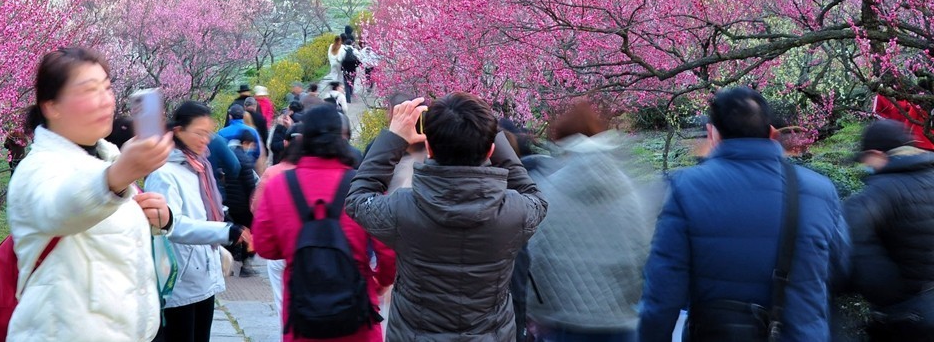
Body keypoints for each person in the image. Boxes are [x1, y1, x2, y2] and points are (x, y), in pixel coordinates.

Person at [639, 86, 850, 342]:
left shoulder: (686, 188)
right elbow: (839, 264)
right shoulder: (820, 190)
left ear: (712, 134)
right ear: (772, 133)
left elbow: (663, 292)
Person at [345, 94, 548, 341]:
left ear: (429, 148)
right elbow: (534, 196)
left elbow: (358, 199)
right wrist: (491, 133)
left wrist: (394, 138)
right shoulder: (514, 212)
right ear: (491, 151)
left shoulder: (403, 208)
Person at [6, 47, 175, 342]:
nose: (106, 100)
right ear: (52, 106)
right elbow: (59, 209)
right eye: (89, 90)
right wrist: (118, 177)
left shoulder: (104, 158)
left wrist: (159, 217)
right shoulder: (36, 169)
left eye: (107, 88)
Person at [254, 105, 397, 342]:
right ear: (343, 138)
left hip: (303, 311)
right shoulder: (360, 186)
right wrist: (381, 281)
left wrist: (296, 246)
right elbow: (387, 248)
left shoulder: (279, 185)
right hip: (357, 309)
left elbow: (265, 246)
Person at [525, 103, 656, 342]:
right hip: (620, 325)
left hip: (565, 324)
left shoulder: (547, 192)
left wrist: (536, 311)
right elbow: (643, 255)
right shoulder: (629, 192)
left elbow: (536, 261)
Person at [146, 101, 253, 342]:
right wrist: (225, 232)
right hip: (180, 280)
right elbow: (171, 225)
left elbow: (203, 214)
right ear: (178, 131)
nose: (206, 139)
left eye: (208, 133)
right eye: (199, 133)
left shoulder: (198, 166)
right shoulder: (164, 173)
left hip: (203, 273)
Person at [842, 119, 934, 341]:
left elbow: (856, 248)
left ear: (876, 153)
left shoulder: (878, 192)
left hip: (908, 319)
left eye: (865, 160)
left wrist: (890, 301)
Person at [252, 124, 306, 319]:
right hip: (309, 247)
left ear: (285, 143)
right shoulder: (311, 172)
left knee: (283, 303)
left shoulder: (273, 173)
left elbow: (257, 208)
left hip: (280, 248)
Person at [225, 127, 260, 277]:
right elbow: (250, 186)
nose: (251, 148)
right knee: (247, 235)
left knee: (230, 234)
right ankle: (246, 267)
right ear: (246, 143)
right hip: (243, 206)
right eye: (251, 145)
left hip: (228, 204)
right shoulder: (245, 160)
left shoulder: (227, 154)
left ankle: (228, 266)